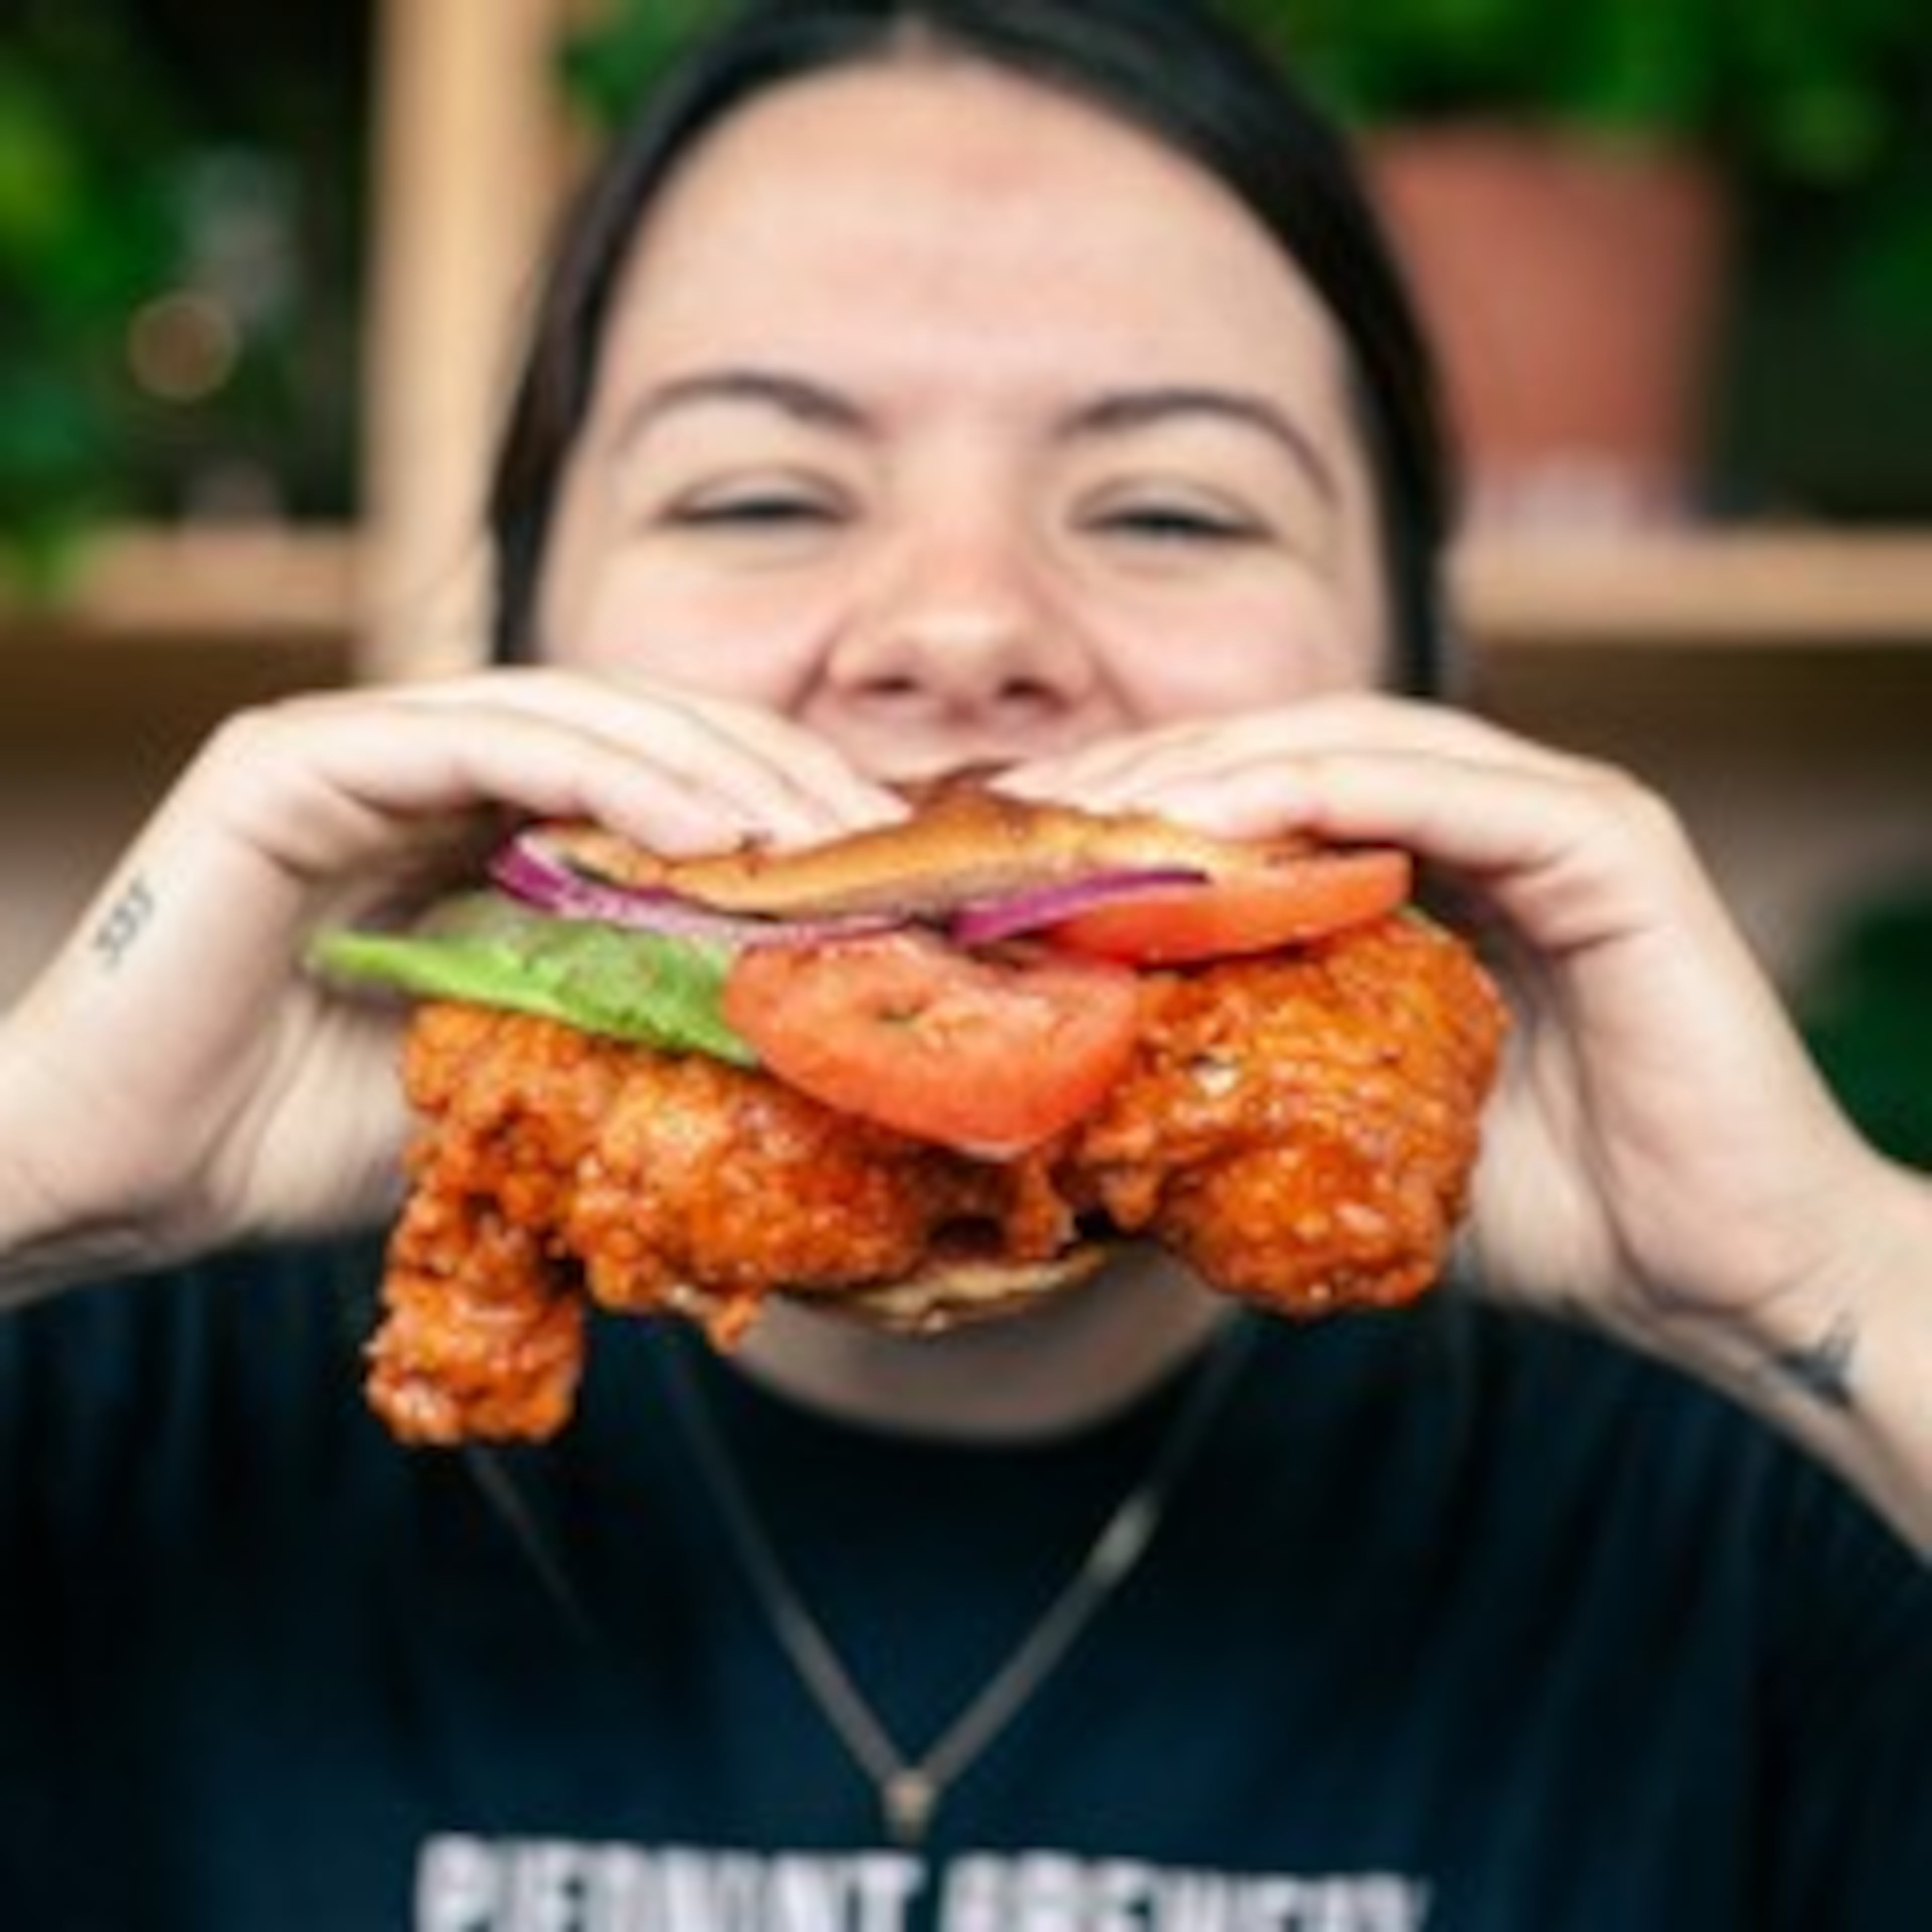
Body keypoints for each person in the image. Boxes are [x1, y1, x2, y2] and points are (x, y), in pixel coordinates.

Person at [2, 1, 1929, 1924]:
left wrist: (1826, 1282)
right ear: (515, 642)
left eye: (1173, 506)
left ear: (1420, 685)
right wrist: (40, 1177)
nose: (961, 623)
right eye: (759, 494)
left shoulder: (1769, 1498)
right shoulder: (107, 1396)